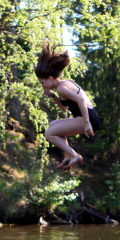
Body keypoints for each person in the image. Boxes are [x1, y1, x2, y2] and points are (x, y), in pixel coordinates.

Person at [34, 42, 101, 171]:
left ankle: (74, 155)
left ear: (49, 78)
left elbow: (81, 100)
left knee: (49, 134)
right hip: (83, 118)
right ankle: (67, 155)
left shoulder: (62, 88)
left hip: (88, 120)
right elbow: (64, 108)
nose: (43, 86)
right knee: (53, 124)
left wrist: (87, 124)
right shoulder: (62, 86)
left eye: (42, 83)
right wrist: (52, 96)